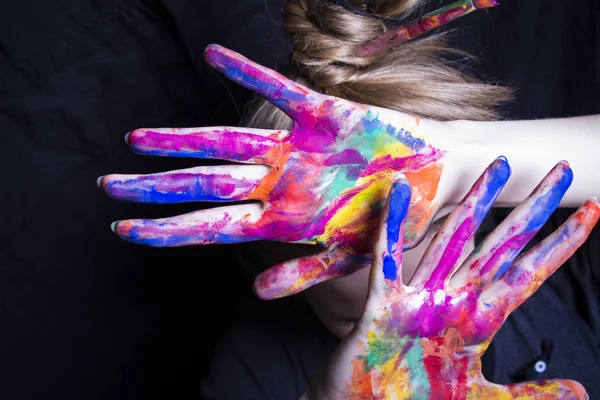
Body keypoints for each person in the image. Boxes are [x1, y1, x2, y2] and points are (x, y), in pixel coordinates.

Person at [96, 0, 600, 398]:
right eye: (353, 320)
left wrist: (461, 159)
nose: (397, 285)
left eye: (432, 221)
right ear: (260, 251)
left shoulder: (550, 270)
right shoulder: (248, 375)